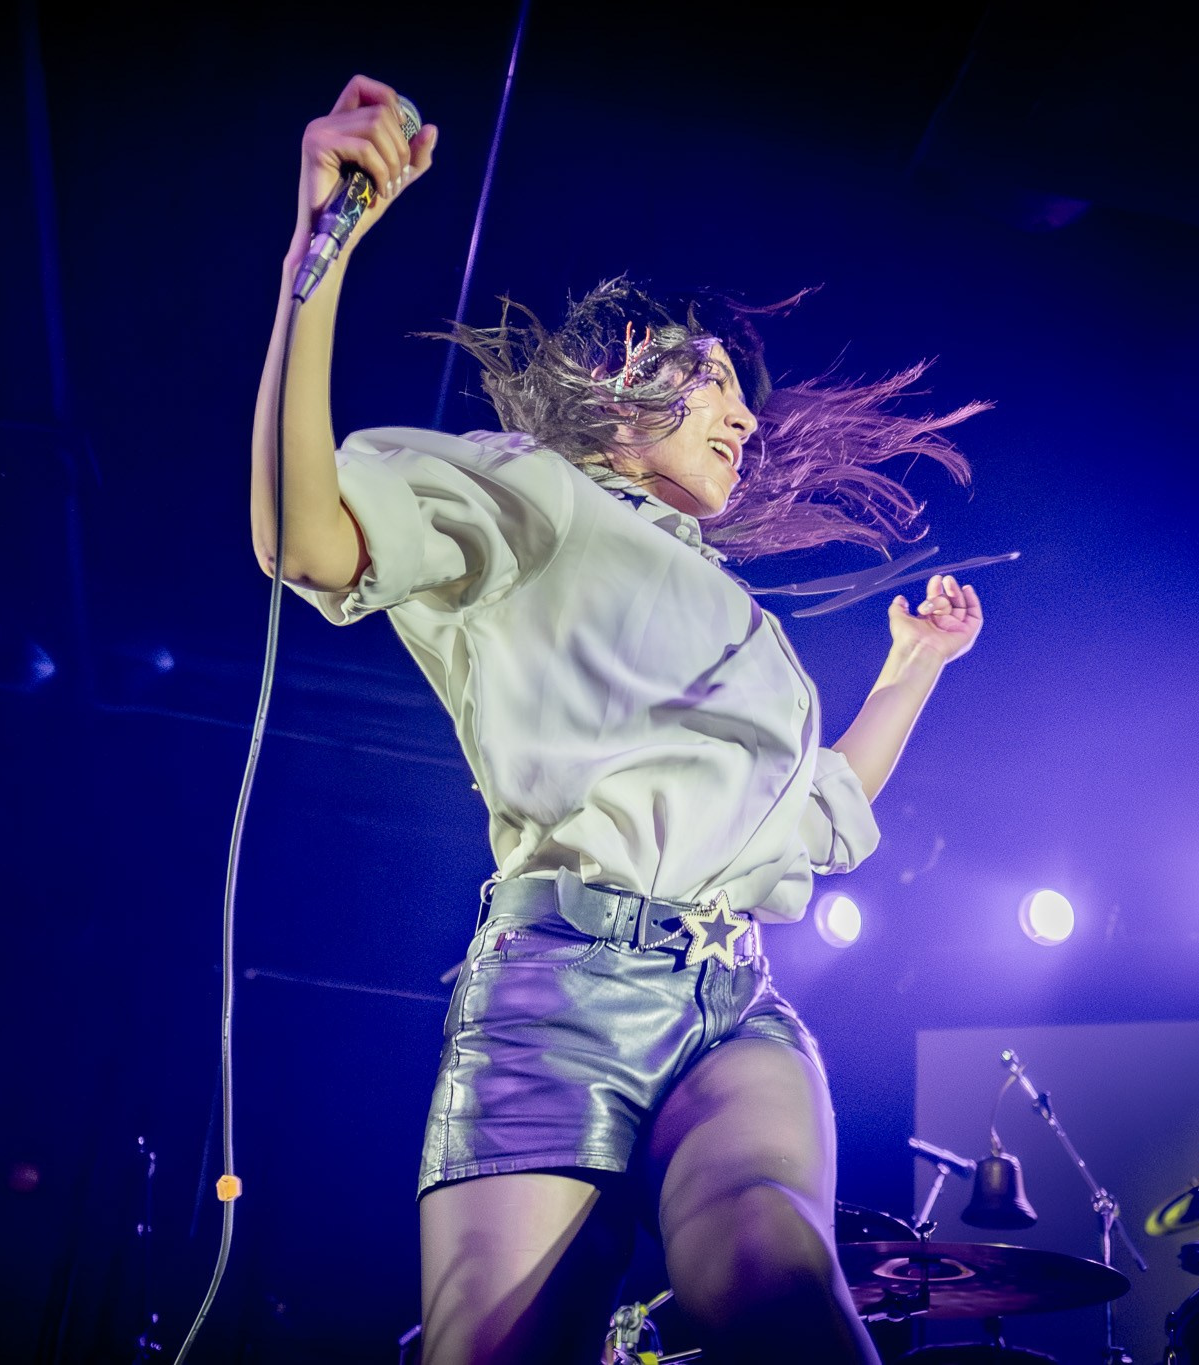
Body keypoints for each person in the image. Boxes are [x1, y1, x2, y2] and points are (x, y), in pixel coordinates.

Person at [252, 76, 987, 1364]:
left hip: (734, 1001)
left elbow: (823, 812)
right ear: (615, 387)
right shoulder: (517, 488)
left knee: (775, 1280)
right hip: (556, 987)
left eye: (743, 403)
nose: (746, 419)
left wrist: (911, 670)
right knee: (490, 1346)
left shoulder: (743, 627)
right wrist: (316, 251)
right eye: (710, 385)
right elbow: (301, 538)